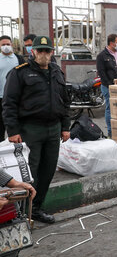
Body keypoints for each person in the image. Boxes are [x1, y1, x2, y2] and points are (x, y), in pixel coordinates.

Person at [3, 35, 70, 224]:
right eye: (39, 50)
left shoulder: (57, 71)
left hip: (53, 129)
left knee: (48, 171)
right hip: (30, 130)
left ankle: (37, 209)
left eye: (46, 50)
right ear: (33, 52)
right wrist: (13, 131)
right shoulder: (19, 73)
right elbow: (9, 104)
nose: (43, 54)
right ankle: (22, 214)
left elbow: (64, 101)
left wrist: (65, 127)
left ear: (51, 52)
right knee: (29, 174)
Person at [96, 34, 117, 137]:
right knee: (110, 108)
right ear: (111, 43)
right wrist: (110, 85)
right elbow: (101, 73)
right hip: (109, 87)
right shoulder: (102, 56)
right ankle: (111, 132)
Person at [0, 36, 26, 140]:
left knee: (16, 126)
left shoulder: (19, 59)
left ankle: (18, 150)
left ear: (12, 45)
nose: (5, 46)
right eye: (3, 45)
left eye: (8, 44)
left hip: (16, 99)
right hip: (0, 97)